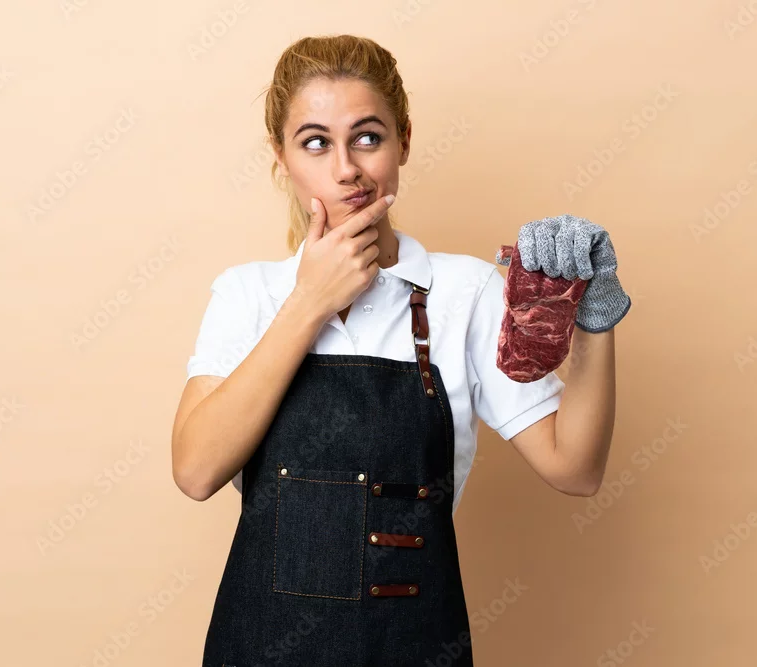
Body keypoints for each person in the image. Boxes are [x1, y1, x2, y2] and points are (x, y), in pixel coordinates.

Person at [172, 34, 630, 667]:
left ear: (404, 141)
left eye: (367, 137)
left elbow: (575, 469)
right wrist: (309, 302)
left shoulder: (464, 293)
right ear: (280, 157)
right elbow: (195, 471)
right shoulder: (247, 294)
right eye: (315, 142)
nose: (346, 169)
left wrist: (595, 320)